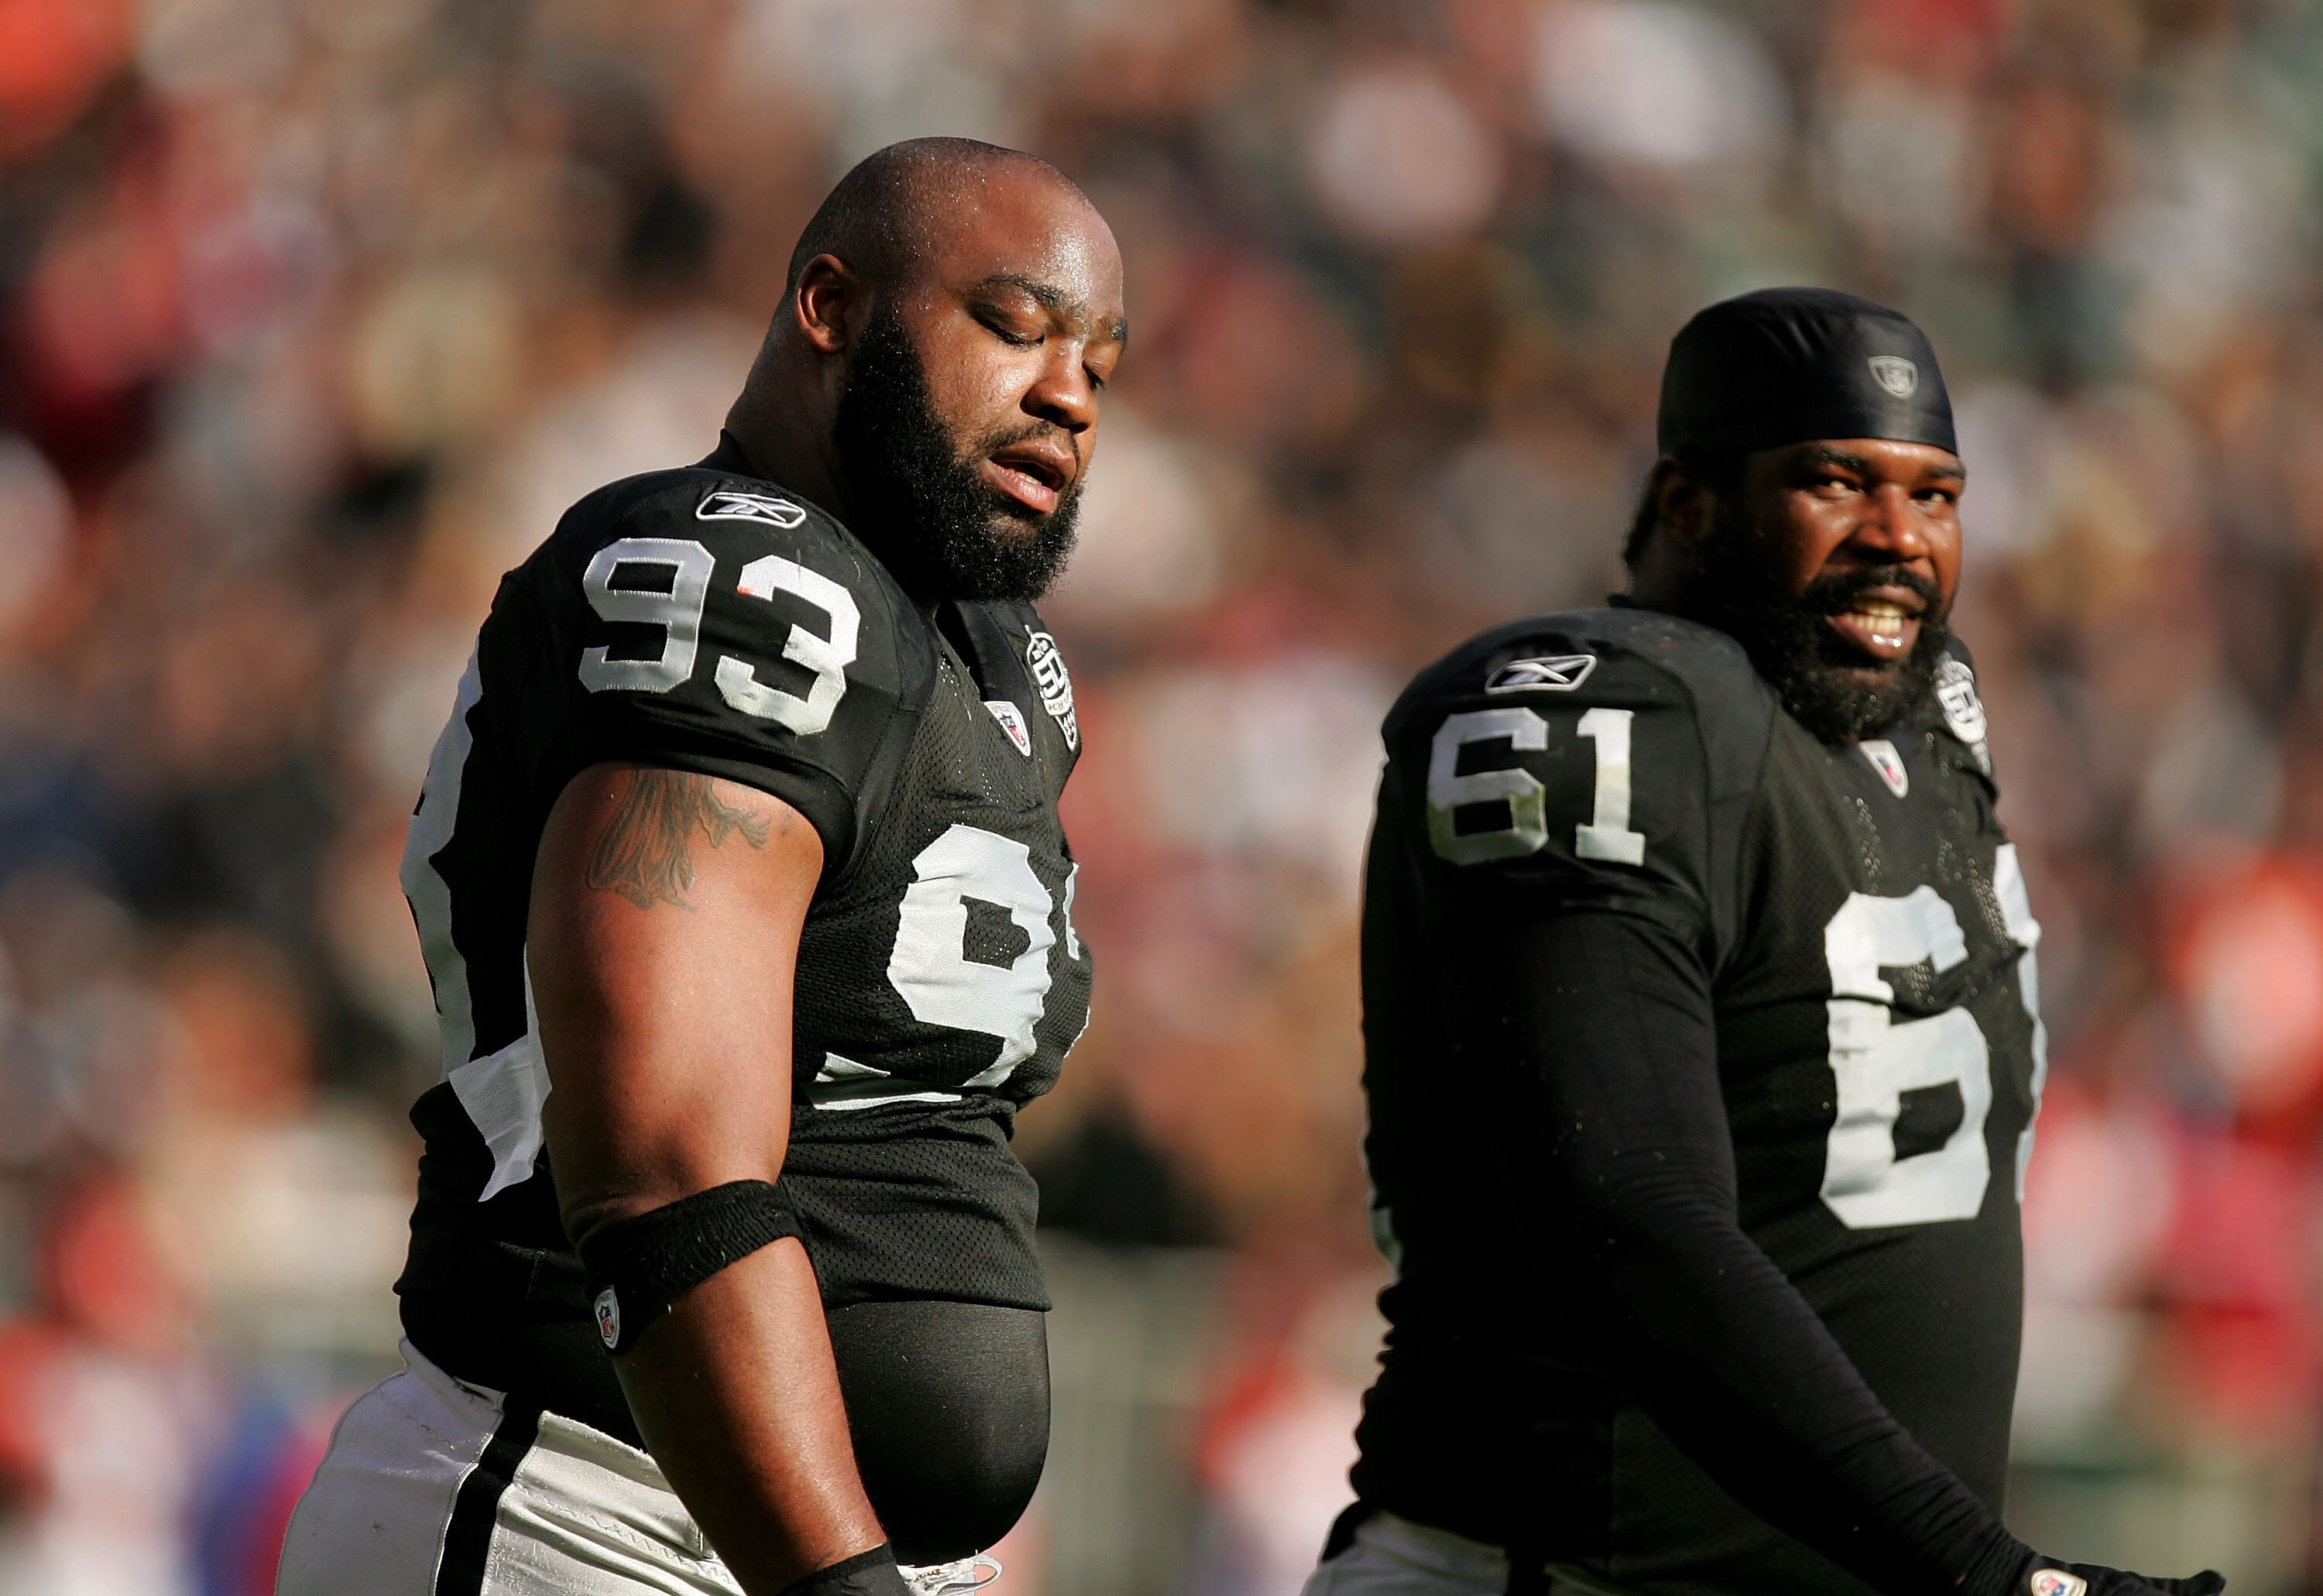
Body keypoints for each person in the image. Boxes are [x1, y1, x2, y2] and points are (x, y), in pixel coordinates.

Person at [276, 137, 1124, 1596]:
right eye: (1012, 326)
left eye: (1101, 365)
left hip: (814, 1539)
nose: (1069, 395)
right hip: (604, 1512)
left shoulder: (993, 663)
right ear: (830, 306)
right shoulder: (741, 579)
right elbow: (665, 1170)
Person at [1309, 290, 2225, 1596]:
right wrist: (1991, 1576)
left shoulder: (1922, 720)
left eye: (1937, 495)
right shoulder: (1605, 711)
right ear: (1687, 502)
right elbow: (1635, 1221)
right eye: (1835, 482)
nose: (1898, 536)